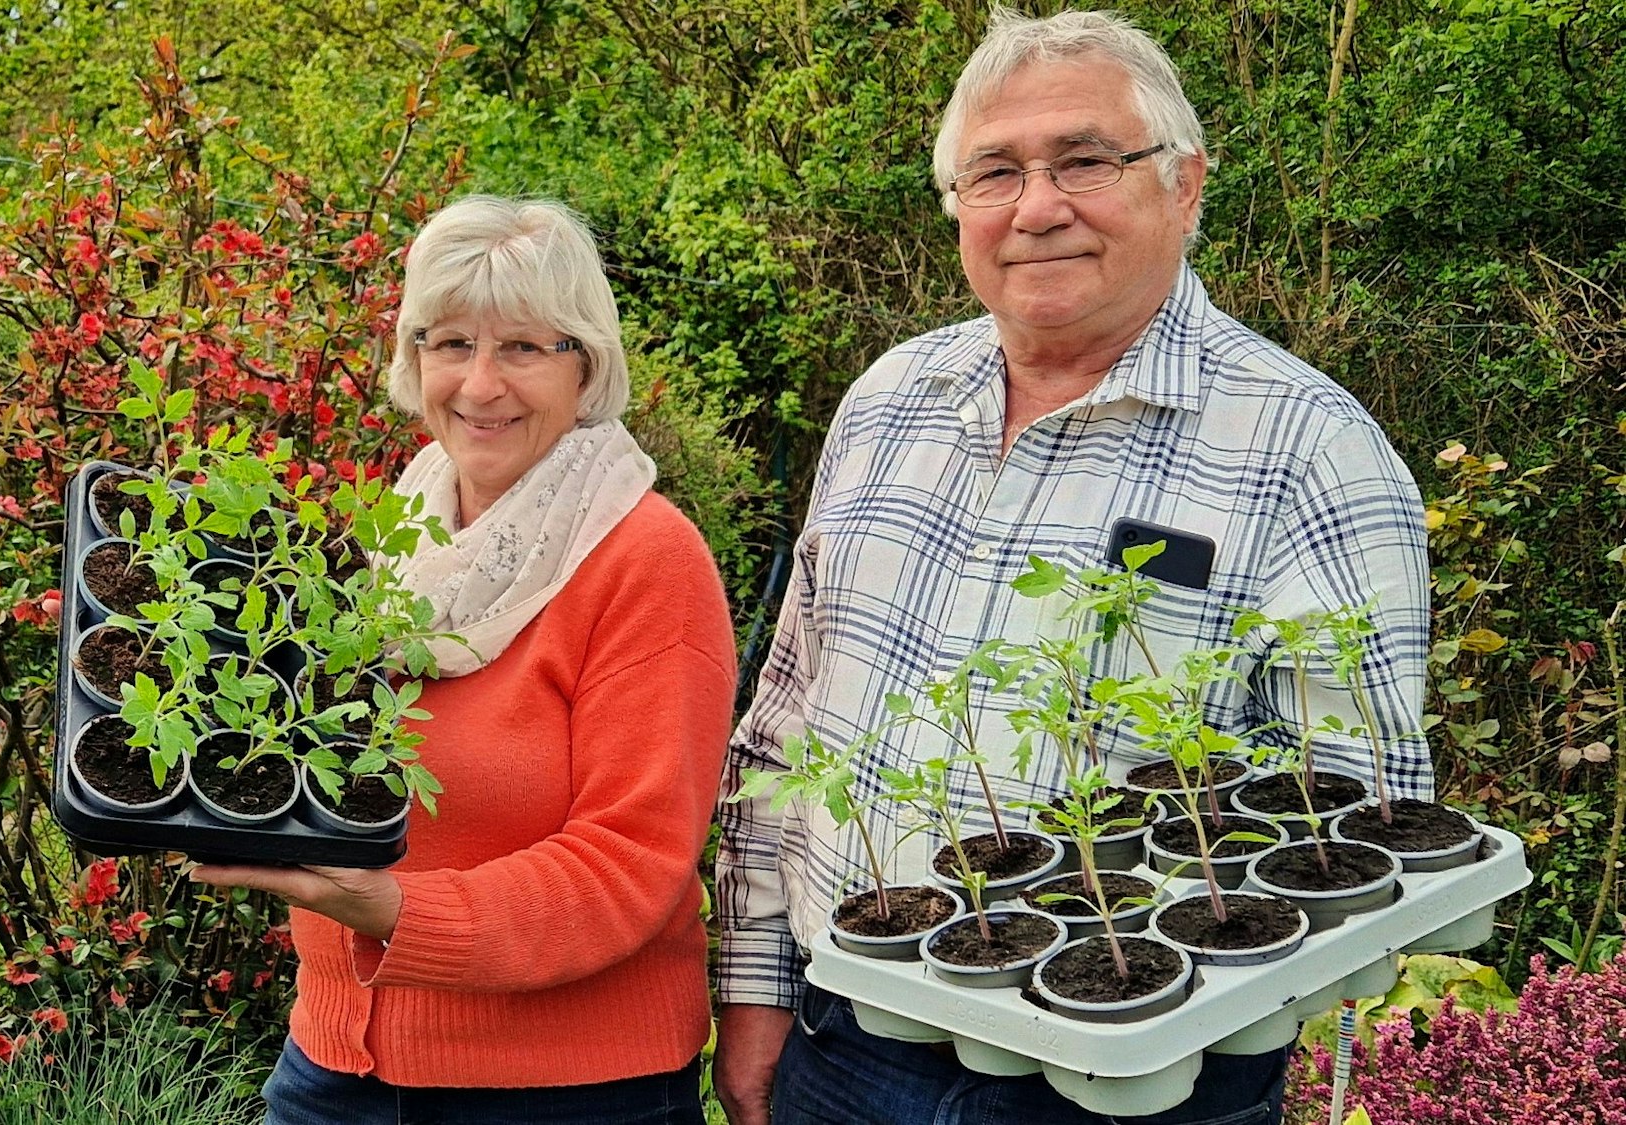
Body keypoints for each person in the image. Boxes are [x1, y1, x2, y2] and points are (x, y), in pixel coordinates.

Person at [712, 9, 1431, 1125]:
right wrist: (756, 987)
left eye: (1085, 161)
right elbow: (788, 721)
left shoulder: (1308, 449)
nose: (1037, 207)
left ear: (1183, 185)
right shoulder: (888, 402)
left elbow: (1354, 818)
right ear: (957, 205)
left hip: (1130, 1080)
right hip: (845, 1043)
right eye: (994, 172)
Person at [193, 195, 737, 1125]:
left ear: (586, 366)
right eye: (450, 343)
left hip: (567, 1092)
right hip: (334, 1065)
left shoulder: (646, 561)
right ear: (414, 361)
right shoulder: (393, 533)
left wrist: (396, 911)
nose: (481, 385)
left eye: (523, 348)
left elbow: (631, 864)